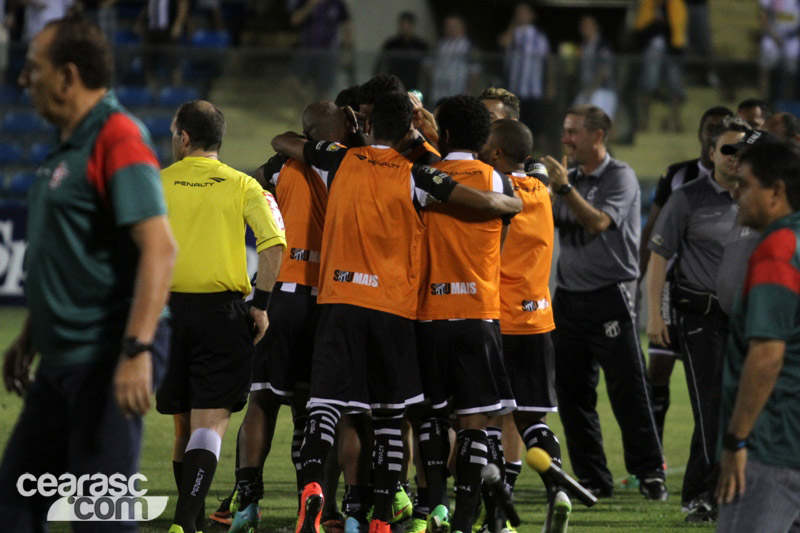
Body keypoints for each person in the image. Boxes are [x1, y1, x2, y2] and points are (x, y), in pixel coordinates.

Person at [271, 91, 521, 533]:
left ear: (366, 126)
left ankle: (312, 488)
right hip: (394, 308)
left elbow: (283, 140)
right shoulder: (418, 175)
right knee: (391, 414)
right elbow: (475, 201)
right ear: (408, 129)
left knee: (325, 405)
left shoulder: (339, 159)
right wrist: (511, 204)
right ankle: (385, 517)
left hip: (338, 301)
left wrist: (345, 134)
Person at [0, 17, 176, 532]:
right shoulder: (70, 142)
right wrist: (33, 332)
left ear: (67, 76)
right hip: (62, 359)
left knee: (99, 519)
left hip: (106, 358)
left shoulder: (117, 136)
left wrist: (137, 351)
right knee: (14, 508)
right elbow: (71, 253)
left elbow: (160, 249)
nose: (23, 79)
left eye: (34, 68)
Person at [156, 100, 286, 533]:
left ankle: (186, 523)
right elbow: (274, 246)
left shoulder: (157, 183)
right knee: (208, 424)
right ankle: (184, 522)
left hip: (167, 312)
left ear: (184, 138)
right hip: (221, 314)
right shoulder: (245, 185)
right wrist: (261, 304)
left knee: (182, 425)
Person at [541, 104, 667, 500]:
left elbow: (596, 223)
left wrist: (563, 189)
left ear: (597, 136)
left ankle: (650, 473)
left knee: (628, 389)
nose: (565, 139)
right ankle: (593, 477)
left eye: (573, 132)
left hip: (610, 295)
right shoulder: (570, 178)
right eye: (564, 131)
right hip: (568, 298)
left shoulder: (620, 176)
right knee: (573, 394)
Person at [414, 95, 517, 533]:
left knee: (434, 418)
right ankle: (464, 518)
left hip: (431, 311)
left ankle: (432, 507)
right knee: (475, 421)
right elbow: (505, 228)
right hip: (480, 311)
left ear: (445, 133)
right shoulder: (496, 179)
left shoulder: (422, 178)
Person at [646, 120, 747, 522]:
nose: (735, 158)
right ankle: (712, 496)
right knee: (712, 406)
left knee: (728, 407)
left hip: (742, 319)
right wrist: (654, 314)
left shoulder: (760, 199)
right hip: (698, 316)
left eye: (742, 151)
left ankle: (702, 493)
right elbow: (658, 257)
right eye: (727, 150)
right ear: (711, 154)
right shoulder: (688, 197)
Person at [480, 118, 572, 532]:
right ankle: (557, 488)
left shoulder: (495, 191)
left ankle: (497, 518)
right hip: (538, 322)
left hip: (497, 321)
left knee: (488, 425)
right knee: (533, 420)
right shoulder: (541, 192)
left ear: (497, 152)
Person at [638, 105, 734, 452]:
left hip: (722, 300)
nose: (714, 132)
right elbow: (654, 231)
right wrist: (648, 299)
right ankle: (655, 456)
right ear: (703, 137)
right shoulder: (679, 177)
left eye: (721, 128)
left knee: (715, 393)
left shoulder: (749, 188)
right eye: (711, 128)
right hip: (672, 286)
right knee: (659, 365)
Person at [715, 141, 800, 532]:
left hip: (770, 443)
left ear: (777, 191)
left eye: (745, 184)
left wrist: (737, 441)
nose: (736, 193)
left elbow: (767, 354)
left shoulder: (778, 250)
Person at [499, 2, 551, 148]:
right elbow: (503, 42)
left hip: (533, 88)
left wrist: (549, 85)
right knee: (516, 122)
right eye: (518, 12)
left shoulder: (538, 36)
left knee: (535, 123)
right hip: (515, 88)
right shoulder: (513, 33)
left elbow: (547, 61)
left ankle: (536, 152)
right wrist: (513, 24)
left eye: (524, 12)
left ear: (532, 15)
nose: (520, 15)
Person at [289, 0, 352, 100]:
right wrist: (310, 6)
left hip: (328, 52)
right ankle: (305, 107)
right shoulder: (305, 2)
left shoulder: (337, 4)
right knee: (294, 82)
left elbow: (347, 27)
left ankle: (321, 112)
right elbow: (295, 20)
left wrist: (346, 52)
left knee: (324, 90)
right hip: (307, 49)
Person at [425, 14, 479, 107]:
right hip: (439, 90)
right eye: (447, 26)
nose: (450, 29)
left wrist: (470, 90)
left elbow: (474, 70)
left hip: (458, 89)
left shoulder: (468, 46)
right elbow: (428, 64)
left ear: (461, 27)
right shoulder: (440, 45)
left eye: (453, 26)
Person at [573, 14, 617, 119]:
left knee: (597, 124)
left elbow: (604, 70)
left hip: (602, 91)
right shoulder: (583, 46)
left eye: (588, 25)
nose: (584, 28)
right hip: (585, 90)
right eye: (582, 25)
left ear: (596, 27)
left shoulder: (603, 45)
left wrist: (590, 90)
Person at [375, 11, 428, 91]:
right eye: (402, 24)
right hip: (394, 83)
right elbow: (381, 63)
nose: (404, 27)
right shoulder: (391, 44)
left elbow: (426, 66)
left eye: (407, 24)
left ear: (412, 25)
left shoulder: (420, 45)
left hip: (413, 83)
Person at [759, 0, 800, 101]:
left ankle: (788, 102)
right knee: (767, 69)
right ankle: (765, 100)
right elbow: (763, 16)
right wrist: (774, 36)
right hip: (772, 36)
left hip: (792, 37)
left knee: (792, 70)